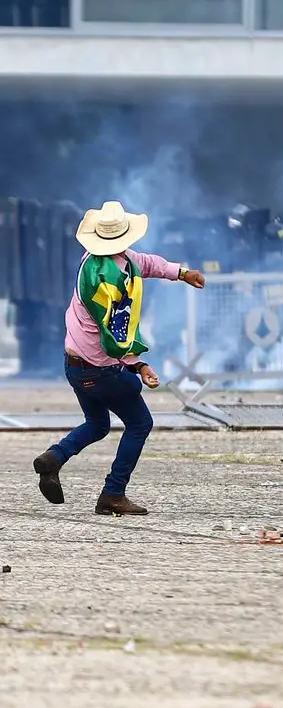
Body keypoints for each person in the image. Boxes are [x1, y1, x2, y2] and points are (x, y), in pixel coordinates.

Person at [32, 201, 206, 515]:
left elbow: (148, 263)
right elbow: (115, 336)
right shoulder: (104, 284)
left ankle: (54, 458)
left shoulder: (102, 260)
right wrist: (139, 365)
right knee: (140, 423)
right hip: (100, 368)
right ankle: (113, 493)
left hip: (75, 365)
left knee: (98, 424)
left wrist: (180, 272)